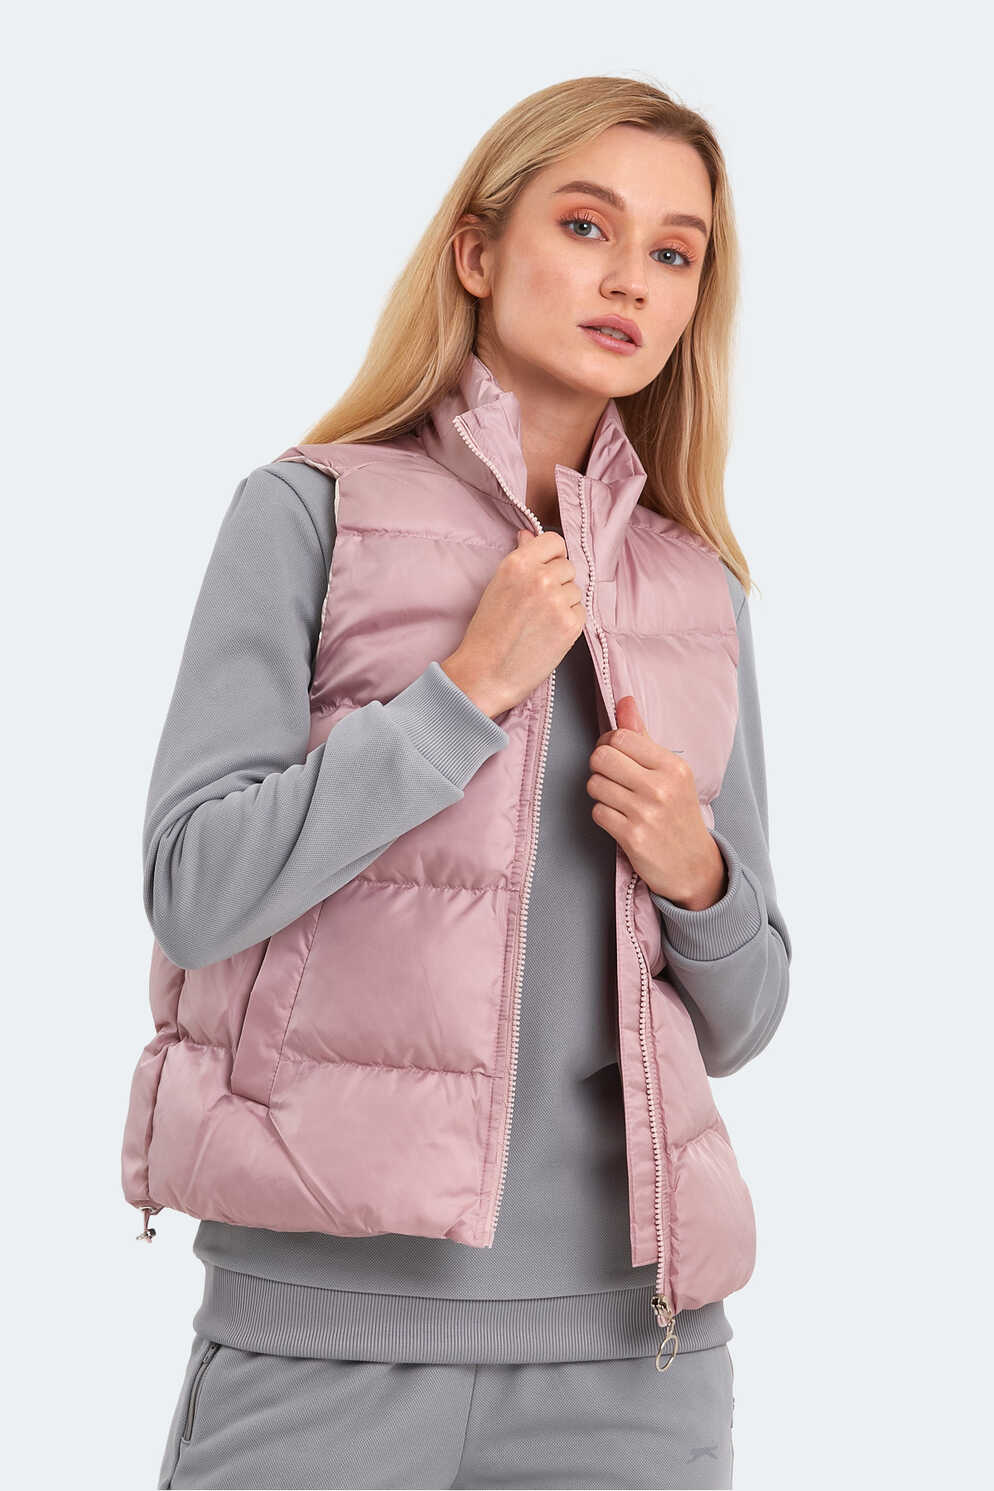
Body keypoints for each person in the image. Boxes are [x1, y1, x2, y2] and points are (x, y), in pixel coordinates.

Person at [127, 74, 792, 1491]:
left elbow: (746, 1016)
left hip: (636, 1364)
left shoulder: (697, 587)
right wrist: (458, 697)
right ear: (477, 253)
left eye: (674, 253)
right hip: (323, 1347)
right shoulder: (308, 512)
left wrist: (698, 876)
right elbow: (194, 891)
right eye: (586, 226)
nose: (631, 279)